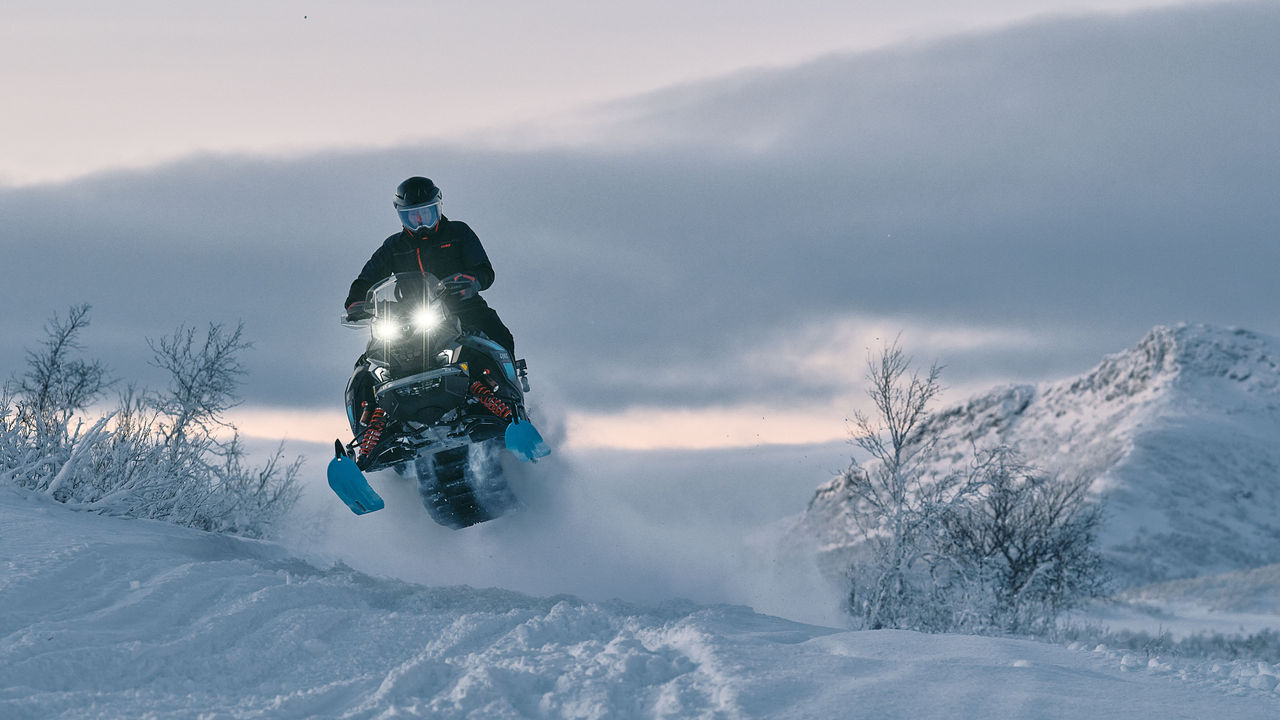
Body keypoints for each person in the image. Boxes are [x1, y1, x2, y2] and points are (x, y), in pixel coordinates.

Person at [343, 176, 517, 465]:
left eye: (427, 213)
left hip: (461, 307)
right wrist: (356, 302)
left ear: (439, 207)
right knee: (367, 365)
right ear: (401, 216)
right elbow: (365, 278)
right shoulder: (393, 247)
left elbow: (484, 269)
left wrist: (471, 280)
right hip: (409, 319)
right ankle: (367, 437)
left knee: (496, 335)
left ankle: (511, 403)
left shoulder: (458, 233)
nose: (421, 222)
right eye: (413, 216)